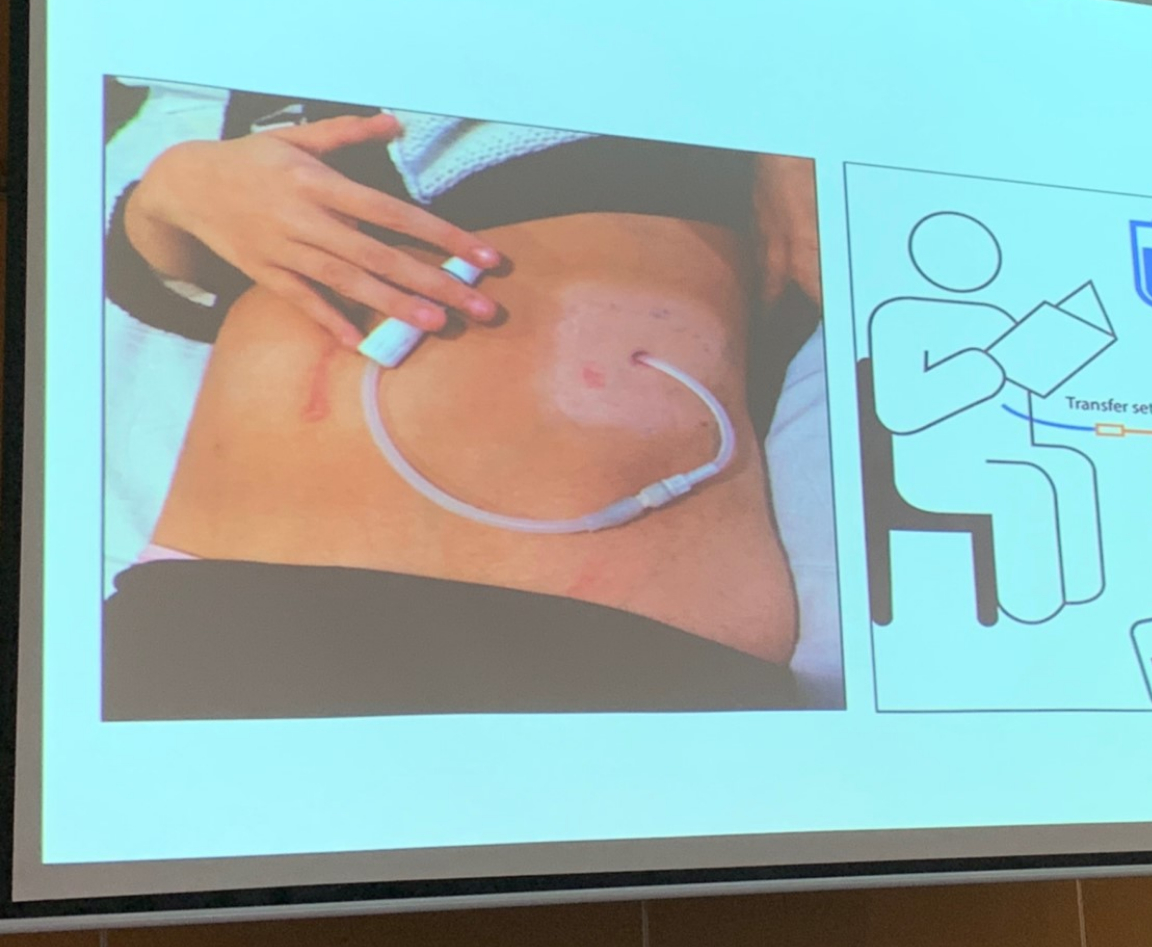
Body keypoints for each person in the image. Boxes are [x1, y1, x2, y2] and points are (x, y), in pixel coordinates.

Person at [101, 86, 834, 718]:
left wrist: (792, 126)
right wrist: (169, 197)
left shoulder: (659, 64)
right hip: (222, 606)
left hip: (598, 629)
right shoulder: (284, 78)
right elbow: (166, 283)